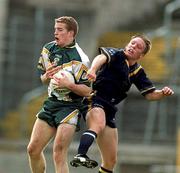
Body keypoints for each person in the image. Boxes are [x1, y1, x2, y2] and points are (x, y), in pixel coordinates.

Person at [70, 34, 174, 173]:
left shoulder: (138, 71)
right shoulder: (117, 54)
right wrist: (93, 70)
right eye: (132, 43)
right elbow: (101, 57)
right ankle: (81, 155)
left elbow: (150, 95)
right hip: (95, 99)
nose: (132, 46)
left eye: (138, 47)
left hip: (110, 109)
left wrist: (162, 93)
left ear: (141, 55)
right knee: (98, 124)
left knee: (110, 161)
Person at [27, 16, 91, 173]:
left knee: (58, 153)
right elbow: (43, 79)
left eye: (60, 30)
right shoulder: (48, 49)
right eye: (55, 29)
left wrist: (69, 85)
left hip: (71, 107)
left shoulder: (81, 59)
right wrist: (46, 76)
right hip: (52, 103)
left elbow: (88, 91)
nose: (55, 32)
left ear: (71, 33)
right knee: (33, 149)